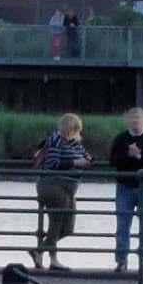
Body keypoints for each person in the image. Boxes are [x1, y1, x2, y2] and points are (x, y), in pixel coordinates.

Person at [31, 112, 93, 272]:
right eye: (73, 130)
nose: (75, 134)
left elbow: (85, 156)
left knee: (68, 228)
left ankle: (39, 251)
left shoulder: (76, 142)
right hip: (53, 185)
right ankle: (53, 260)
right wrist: (75, 162)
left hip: (70, 188)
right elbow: (52, 162)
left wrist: (88, 161)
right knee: (56, 223)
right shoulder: (55, 140)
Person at [110, 106, 143, 274]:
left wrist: (139, 156)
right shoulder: (121, 139)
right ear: (128, 121)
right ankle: (121, 260)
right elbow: (113, 160)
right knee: (123, 224)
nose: (135, 122)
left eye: (138, 119)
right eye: (132, 119)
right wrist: (128, 155)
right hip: (125, 185)